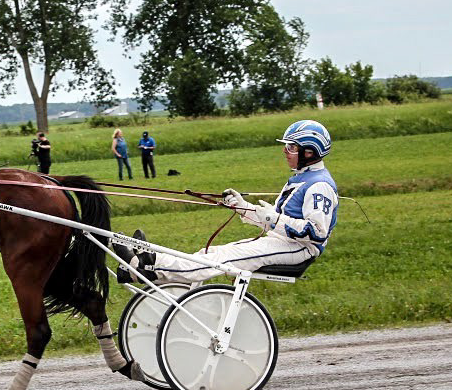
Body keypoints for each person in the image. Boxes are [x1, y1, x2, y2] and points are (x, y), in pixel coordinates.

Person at [116, 119, 338, 284]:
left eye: (291, 147)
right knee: (209, 253)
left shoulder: (319, 185)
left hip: (299, 249)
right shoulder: (302, 177)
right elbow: (274, 220)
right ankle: (152, 263)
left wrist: (272, 218)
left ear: (309, 152)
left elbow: (317, 232)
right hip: (282, 242)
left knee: (222, 259)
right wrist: (243, 207)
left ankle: (145, 267)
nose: (285, 151)